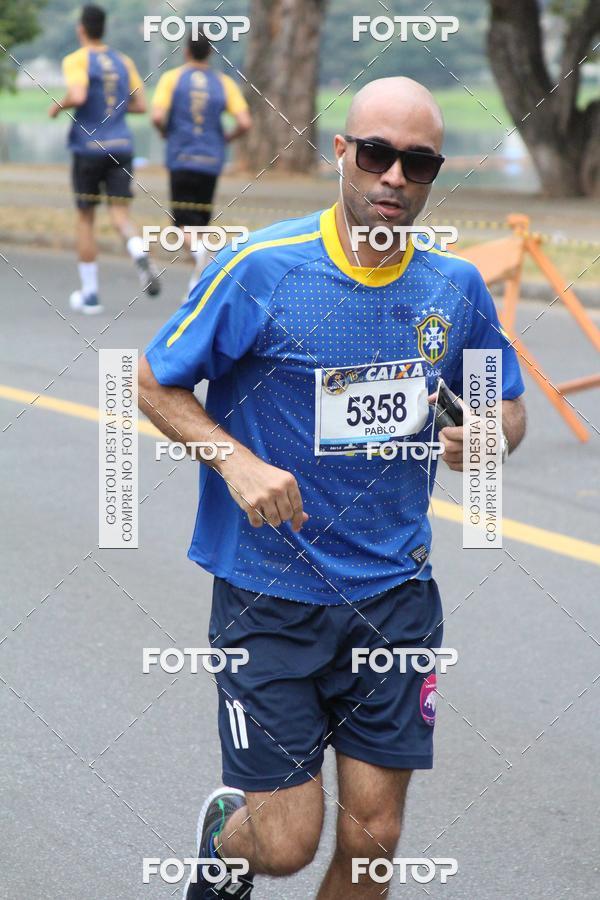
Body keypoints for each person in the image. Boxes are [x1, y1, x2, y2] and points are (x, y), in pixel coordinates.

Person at [138, 76, 527, 899]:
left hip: (395, 594)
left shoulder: (454, 287)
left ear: (435, 172)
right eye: (377, 154)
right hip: (269, 595)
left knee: (374, 839)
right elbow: (146, 381)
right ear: (342, 152)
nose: (395, 177)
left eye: (418, 163)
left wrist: (492, 433)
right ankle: (225, 841)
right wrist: (234, 462)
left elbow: (507, 404)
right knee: (285, 845)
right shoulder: (263, 268)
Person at [49, 4, 161, 315]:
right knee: (121, 216)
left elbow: (78, 95)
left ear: (81, 29)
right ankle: (140, 255)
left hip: (88, 147)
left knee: (86, 218)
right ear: (104, 29)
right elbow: (141, 105)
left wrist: (58, 106)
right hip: (122, 145)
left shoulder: (77, 59)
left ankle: (90, 295)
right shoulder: (123, 61)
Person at [151, 31, 251, 298]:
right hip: (211, 159)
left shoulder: (172, 78)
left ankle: (201, 256)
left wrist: (165, 132)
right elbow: (245, 122)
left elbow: (157, 116)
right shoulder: (223, 83)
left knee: (182, 225)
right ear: (210, 53)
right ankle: (196, 287)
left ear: (186, 51)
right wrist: (227, 138)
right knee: (201, 225)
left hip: (182, 157)